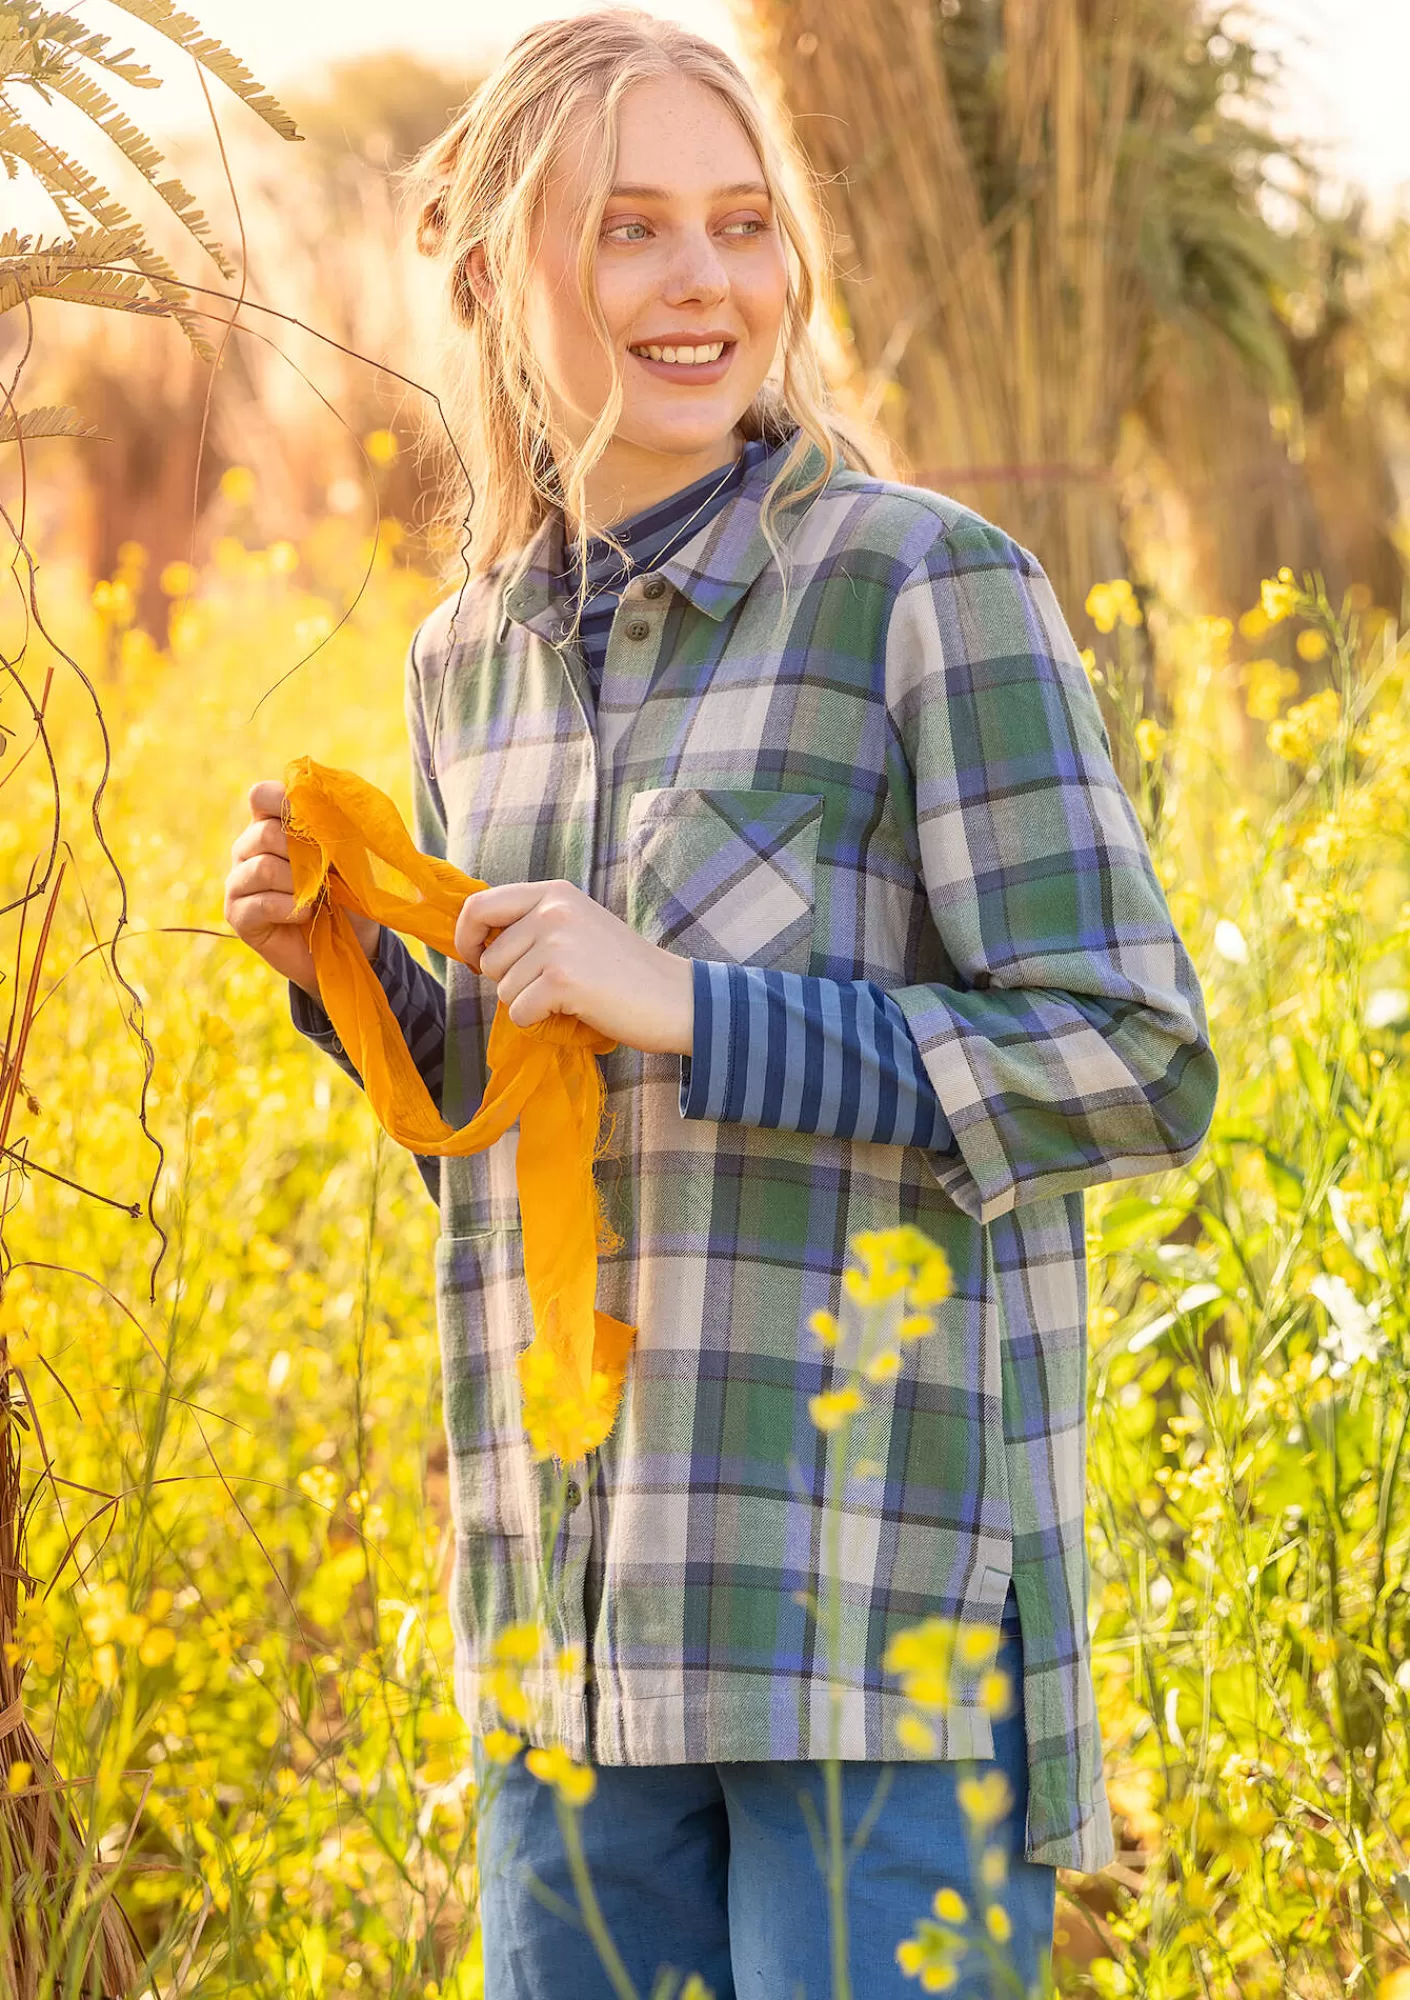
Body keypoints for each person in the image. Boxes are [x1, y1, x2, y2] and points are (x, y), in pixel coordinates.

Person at [224, 11, 1219, 1995]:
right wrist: (346, 993)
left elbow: (1139, 1060)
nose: (705, 285)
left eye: (744, 224)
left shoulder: (928, 586)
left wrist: (689, 1000)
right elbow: (545, 1160)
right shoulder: (467, 661)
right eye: (634, 231)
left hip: (869, 1622)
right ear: (500, 277)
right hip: (569, 1629)